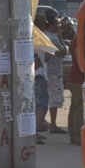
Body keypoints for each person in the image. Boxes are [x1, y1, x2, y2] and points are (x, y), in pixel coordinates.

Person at [43, 11, 68, 136]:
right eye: (58, 23)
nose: (60, 25)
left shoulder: (43, 35)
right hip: (54, 74)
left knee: (43, 99)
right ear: (51, 24)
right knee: (54, 100)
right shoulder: (53, 38)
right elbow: (63, 51)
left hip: (44, 72)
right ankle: (53, 124)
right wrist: (60, 36)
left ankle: (42, 121)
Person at [33, 12, 50, 144]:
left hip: (36, 76)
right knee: (42, 106)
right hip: (38, 76)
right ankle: (33, 132)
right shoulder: (39, 37)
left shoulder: (34, 35)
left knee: (34, 107)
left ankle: (35, 132)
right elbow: (38, 60)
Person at [67, 28, 85, 146]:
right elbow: (80, 60)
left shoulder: (75, 40)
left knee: (74, 107)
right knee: (79, 109)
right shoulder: (81, 41)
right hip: (79, 78)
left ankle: (73, 135)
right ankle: (78, 136)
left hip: (74, 77)